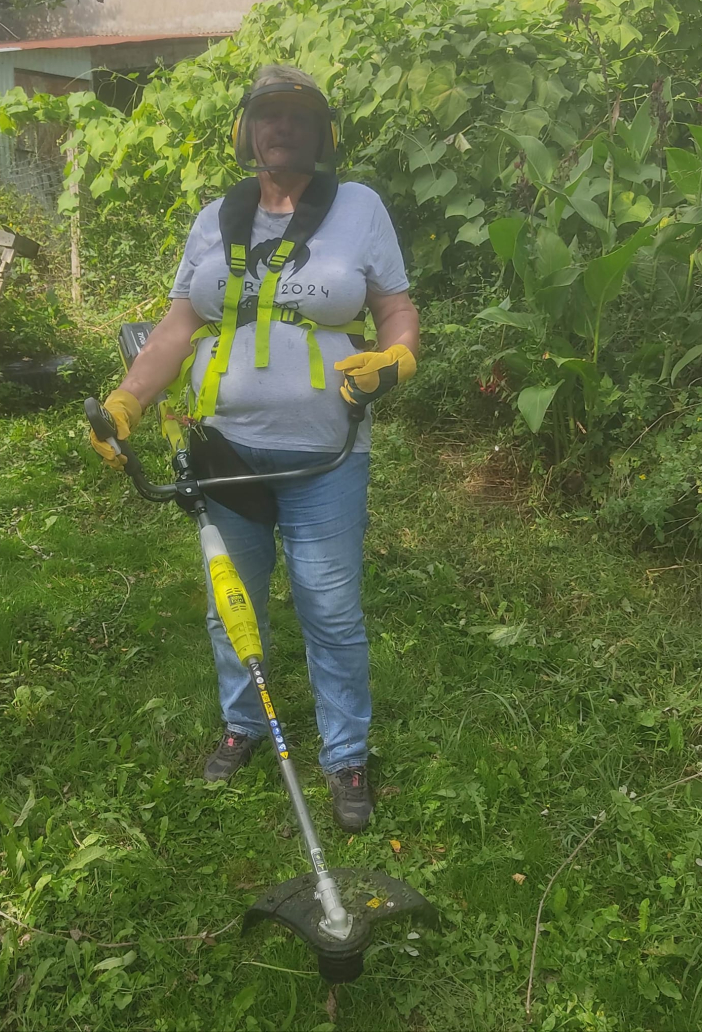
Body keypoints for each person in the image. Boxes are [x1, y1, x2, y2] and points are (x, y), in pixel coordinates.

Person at [90, 64, 419, 832]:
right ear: (246, 131)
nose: (283, 127)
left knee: (331, 609)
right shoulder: (216, 218)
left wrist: (399, 356)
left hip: (327, 454)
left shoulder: (360, 209)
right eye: (268, 115)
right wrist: (129, 397)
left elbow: (396, 309)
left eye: (299, 116)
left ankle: (345, 757)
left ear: (323, 133)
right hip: (223, 449)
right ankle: (246, 723)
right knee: (229, 606)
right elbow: (177, 327)